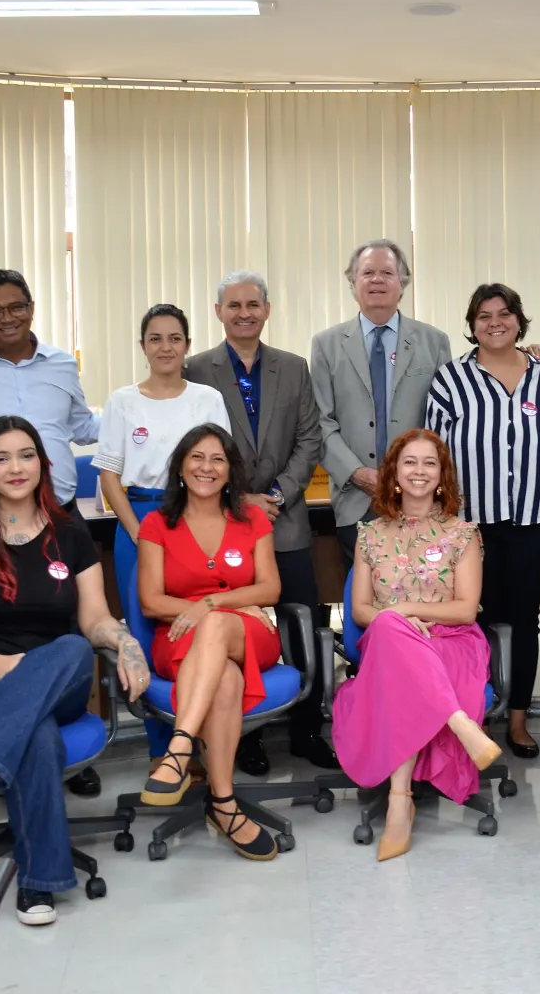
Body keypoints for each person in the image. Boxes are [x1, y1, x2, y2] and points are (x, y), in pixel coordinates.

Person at [0, 417, 151, 926]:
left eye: (26, 455)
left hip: (58, 677)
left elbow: (94, 618)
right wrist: (1, 665)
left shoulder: (71, 535)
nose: (15, 467)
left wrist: (125, 641)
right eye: (1, 458)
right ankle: (38, 884)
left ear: (43, 464)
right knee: (36, 733)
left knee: (72, 647)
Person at [331, 430, 504, 861]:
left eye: (430, 463)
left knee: (395, 640)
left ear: (443, 475)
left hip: (451, 642)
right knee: (392, 635)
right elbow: (361, 611)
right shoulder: (369, 534)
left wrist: (402, 610)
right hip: (388, 646)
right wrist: (398, 623)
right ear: (394, 473)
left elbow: (466, 610)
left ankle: (399, 801)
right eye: (410, 462)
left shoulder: (463, 534)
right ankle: (460, 725)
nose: (420, 471)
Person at [185, 270, 333, 772]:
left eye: (253, 305)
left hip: (284, 518)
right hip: (221, 522)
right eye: (234, 305)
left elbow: (310, 439)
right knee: (238, 627)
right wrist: (239, 499)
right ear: (218, 313)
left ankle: (307, 729)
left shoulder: (293, 367)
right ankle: (245, 736)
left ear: (267, 310)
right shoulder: (196, 369)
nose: (244, 313)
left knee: (304, 623)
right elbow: (193, 448)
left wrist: (274, 495)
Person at [133, 426, 284, 860]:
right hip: (179, 636)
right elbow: (151, 601)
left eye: (218, 459)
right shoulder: (157, 523)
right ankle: (224, 804)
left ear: (230, 470)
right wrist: (206, 610)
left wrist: (212, 604)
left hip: (248, 632)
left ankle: (179, 747)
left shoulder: (252, 519)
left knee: (217, 625)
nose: (207, 467)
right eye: (197, 457)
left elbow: (270, 588)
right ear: (181, 466)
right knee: (225, 680)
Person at [427, 283, 540, 759]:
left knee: (524, 620)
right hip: (469, 526)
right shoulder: (450, 380)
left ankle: (519, 719)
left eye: (504, 313)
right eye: (484, 316)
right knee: (473, 621)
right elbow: (436, 454)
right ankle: (474, 719)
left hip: (532, 519)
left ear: (519, 321)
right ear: (472, 325)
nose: (495, 322)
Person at [96, 304, 229, 771]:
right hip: (139, 519)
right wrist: (141, 535)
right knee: (147, 633)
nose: (166, 347)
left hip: (198, 517)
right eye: (155, 338)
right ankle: (161, 749)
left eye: (175, 338)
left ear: (187, 345)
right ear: (143, 346)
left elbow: (220, 466)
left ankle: (201, 742)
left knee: (198, 625)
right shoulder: (122, 401)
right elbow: (110, 477)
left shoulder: (207, 399)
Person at [311, 239, 453, 569]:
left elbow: (444, 421)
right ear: (353, 283)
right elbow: (320, 421)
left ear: (402, 283)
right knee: (363, 593)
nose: (377, 279)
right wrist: (356, 473)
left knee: (422, 590)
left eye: (387, 272)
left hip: (420, 496)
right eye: (368, 273)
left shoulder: (434, 342)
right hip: (356, 499)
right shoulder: (326, 345)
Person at [0, 269, 99, 512]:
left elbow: (81, 427)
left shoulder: (63, 364)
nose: (7, 318)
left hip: (61, 511)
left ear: (31, 308)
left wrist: (133, 415)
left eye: (16, 307)